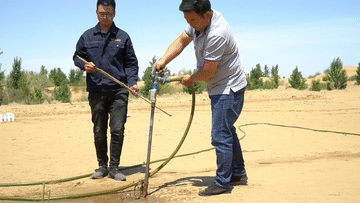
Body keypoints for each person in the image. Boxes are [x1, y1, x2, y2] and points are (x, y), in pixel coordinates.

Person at [155, 0, 248, 196]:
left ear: (207, 15)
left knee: (220, 135)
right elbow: (181, 40)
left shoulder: (218, 33)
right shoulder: (198, 20)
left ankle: (223, 182)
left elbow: (207, 71)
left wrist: (190, 80)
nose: (190, 23)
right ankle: (238, 173)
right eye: (187, 19)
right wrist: (164, 60)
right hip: (218, 86)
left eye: (193, 19)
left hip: (228, 88)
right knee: (227, 130)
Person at [73, 0, 139, 181]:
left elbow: (132, 63)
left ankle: (114, 168)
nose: (105, 17)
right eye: (102, 13)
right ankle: (102, 166)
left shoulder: (123, 37)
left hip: (119, 90)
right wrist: (84, 65)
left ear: (114, 14)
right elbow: (77, 57)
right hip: (96, 91)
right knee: (99, 130)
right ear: (96, 12)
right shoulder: (87, 36)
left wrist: (132, 82)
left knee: (117, 129)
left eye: (109, 14)